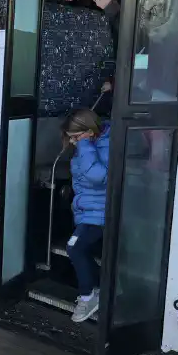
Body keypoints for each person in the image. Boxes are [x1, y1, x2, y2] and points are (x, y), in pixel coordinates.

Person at [61, 109, 111, 323]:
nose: (72, 142)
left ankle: (89, 296)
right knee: (79, 247)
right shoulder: (89, 145)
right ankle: (98, 289)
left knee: (75, 247)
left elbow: (98, 177)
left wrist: (84, 145)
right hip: (87, 211)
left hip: (101, 212)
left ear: (89, 132)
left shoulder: (105, 144)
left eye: (75, 136)